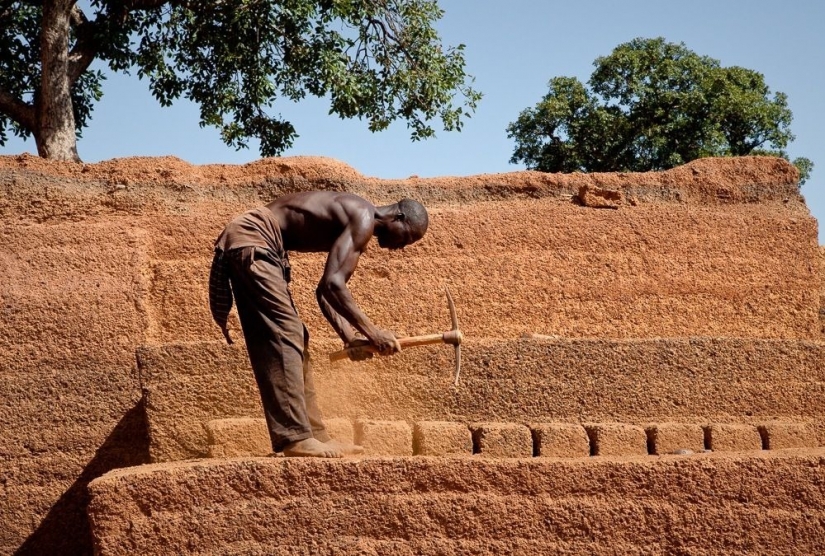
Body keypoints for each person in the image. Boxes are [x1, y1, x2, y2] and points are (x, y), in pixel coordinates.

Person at [209, 191, 429, 458]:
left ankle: (314, 435)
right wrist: (374, 332)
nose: (401, 246)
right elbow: (333, 285)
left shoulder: (360, 218)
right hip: (253, 239)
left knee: (296, 336)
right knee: (285, 332)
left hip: (260, 245)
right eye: (407, 237)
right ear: (398, 216)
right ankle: (295, 438)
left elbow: (323, 292)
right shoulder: (363, 216)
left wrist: (349, 338)